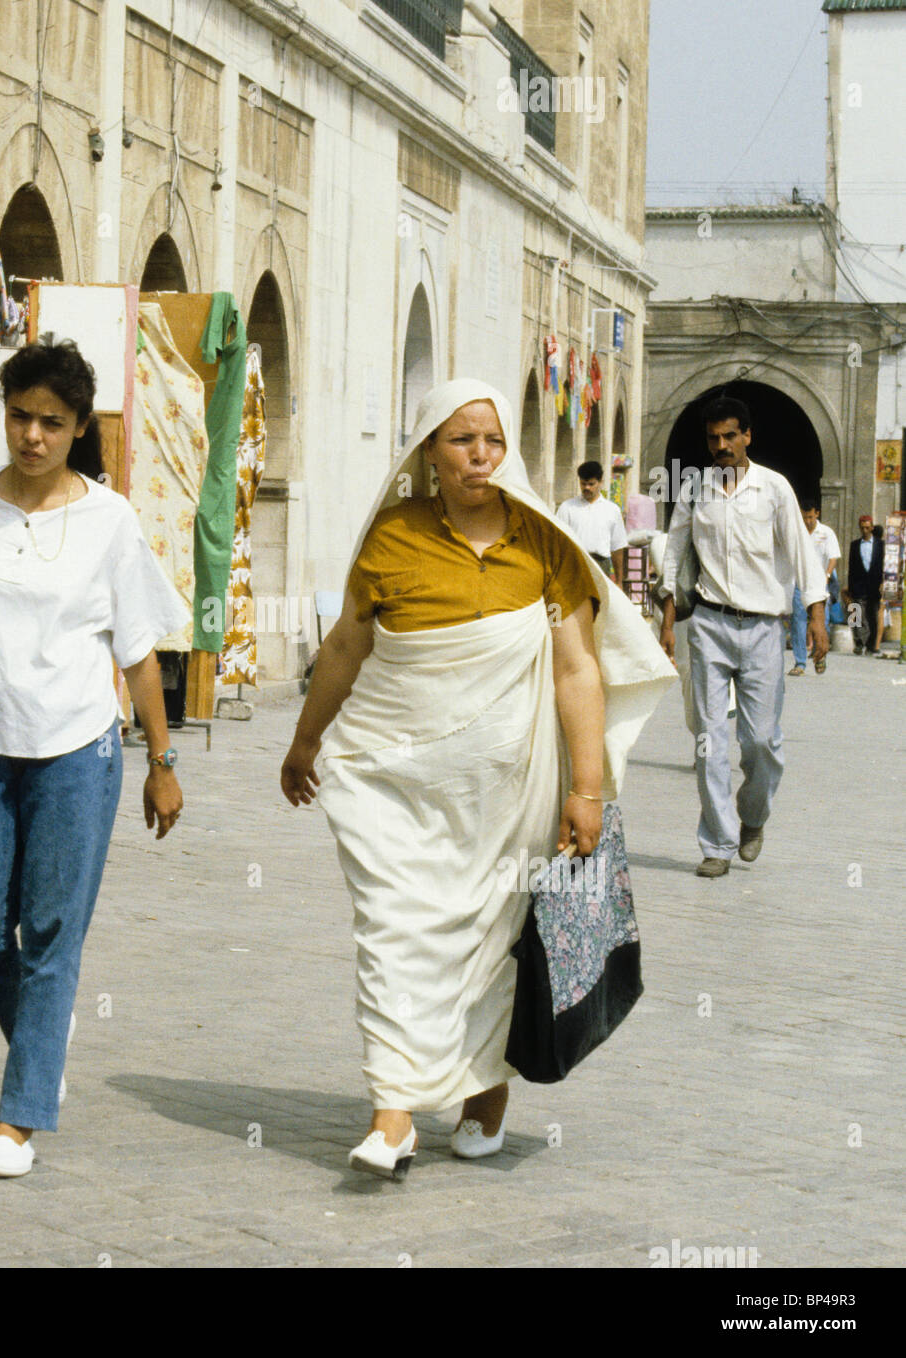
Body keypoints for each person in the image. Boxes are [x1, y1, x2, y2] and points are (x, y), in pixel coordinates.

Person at [280, 379, 675, 1179]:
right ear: (430, 450)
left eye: (492, 441)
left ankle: (483, 1096)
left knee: (495, 942)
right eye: (462, 441)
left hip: (512, 791)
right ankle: (393, 1112)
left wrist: (586, 789)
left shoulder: (544, 543)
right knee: (391, 930)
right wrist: (306, 740)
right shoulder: (390, 538)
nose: (480, 456)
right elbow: (349, 649)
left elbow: (576, 672)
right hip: (394, 783)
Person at [0, 337, 190, 1179]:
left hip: (75, 752)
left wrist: (162, 761)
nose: (31, 436)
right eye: (18, 416)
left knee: (52, 931)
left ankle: (19, 1117)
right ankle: (42, 1042)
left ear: (78, 427)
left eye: (51, 423)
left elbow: (138, 652)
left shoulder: (110, 521)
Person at [658, 396, 827, 880]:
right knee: (709, 740)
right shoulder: (695, 488)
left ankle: (753, 816)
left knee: (761, 742)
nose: (722, 446)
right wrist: (669, 619)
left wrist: (816, 614)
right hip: (709, 624)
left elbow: (800, 551)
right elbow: (675, 551)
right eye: (714, 438)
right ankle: (717, 843)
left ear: (747, 436)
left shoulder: (774, 489)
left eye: (730, 436)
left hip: (763, 629)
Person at [788, 502, 839, 676]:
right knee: (798, 622)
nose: (807, 521)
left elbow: (833, 557)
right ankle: (800, 662)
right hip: (799, 583)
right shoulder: (797, 533)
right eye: (804, 517)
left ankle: (820, 656)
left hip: (819, 582)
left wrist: (827, 575)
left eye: (810, 517)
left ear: (817, 513)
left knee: (821, 622)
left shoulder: (826, 533)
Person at [555, 460, 628, 582]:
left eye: (591, 484)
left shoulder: (612, 510)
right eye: (583, 484)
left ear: (600, 483)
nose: (586, 488)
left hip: (601, 566)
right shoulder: (567, 507)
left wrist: (619, 581)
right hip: (574, 565)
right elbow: (557, 542)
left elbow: (617, 547)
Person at [844, 515, 884, 655]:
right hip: (858, 585)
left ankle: (871, 644)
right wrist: (850, 587)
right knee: (856, 613)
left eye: (867, 527)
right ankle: (858, 642)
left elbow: (883, 565)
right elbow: (851, 566)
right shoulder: (854, 545)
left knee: (872, 615)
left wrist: (883, 583)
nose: (865, 530)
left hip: (874, 586)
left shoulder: (880, 545)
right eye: (862, 528)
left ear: (872, 527)